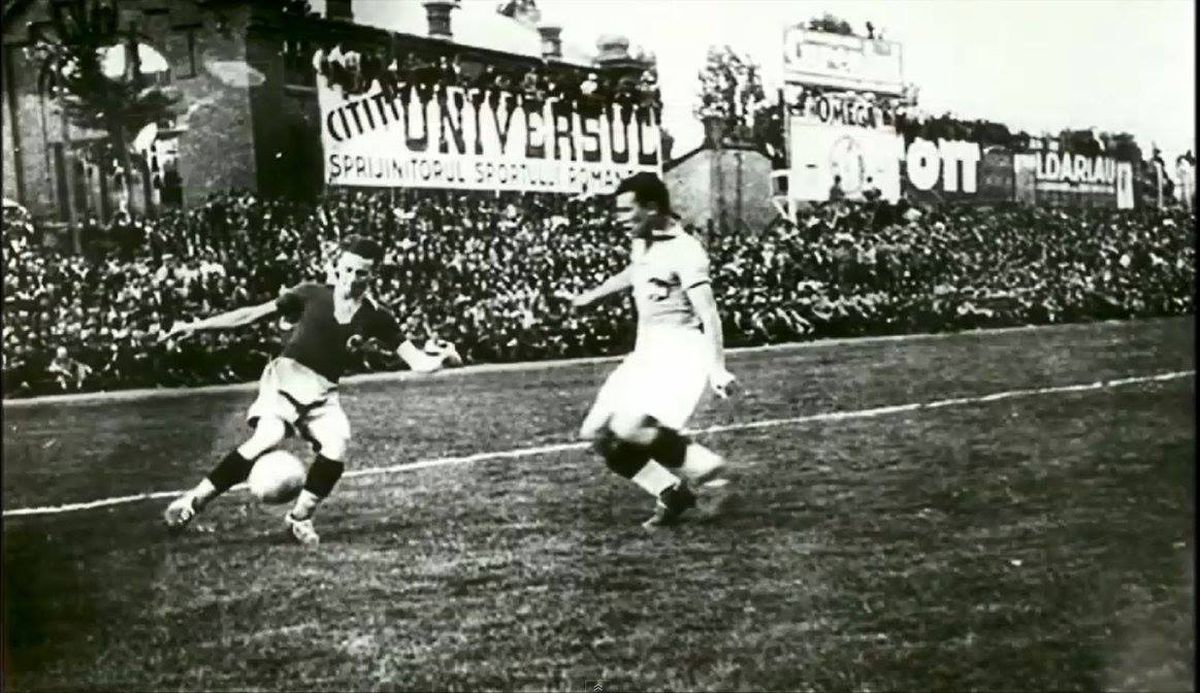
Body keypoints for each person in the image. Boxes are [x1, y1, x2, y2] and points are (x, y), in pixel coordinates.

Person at [160, 235, 461, 546]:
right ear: (338, 266)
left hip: (323, 394)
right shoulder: (311, 294)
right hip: (286, 378)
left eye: (361, 273)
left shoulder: (377, 317)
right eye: (347, 269)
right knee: (268, 437)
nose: (352, 278)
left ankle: (299, 518)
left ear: (374, 275)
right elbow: (251, 315)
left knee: (337, 444)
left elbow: (416, 361)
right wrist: (195, 326)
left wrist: (446, 359)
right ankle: (190, 503)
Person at [564, 172, 737, 529]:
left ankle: (709, 471)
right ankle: (672, 492)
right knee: (596, 432)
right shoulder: (642, 242)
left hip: (680, 350)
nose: (621, 219)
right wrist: (590, 298)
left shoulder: (686, 251)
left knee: (628, 427)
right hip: (647, 351)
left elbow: (709, 313)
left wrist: (717, 368)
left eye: (628, 211)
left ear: (653, 208)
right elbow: (635, 273)